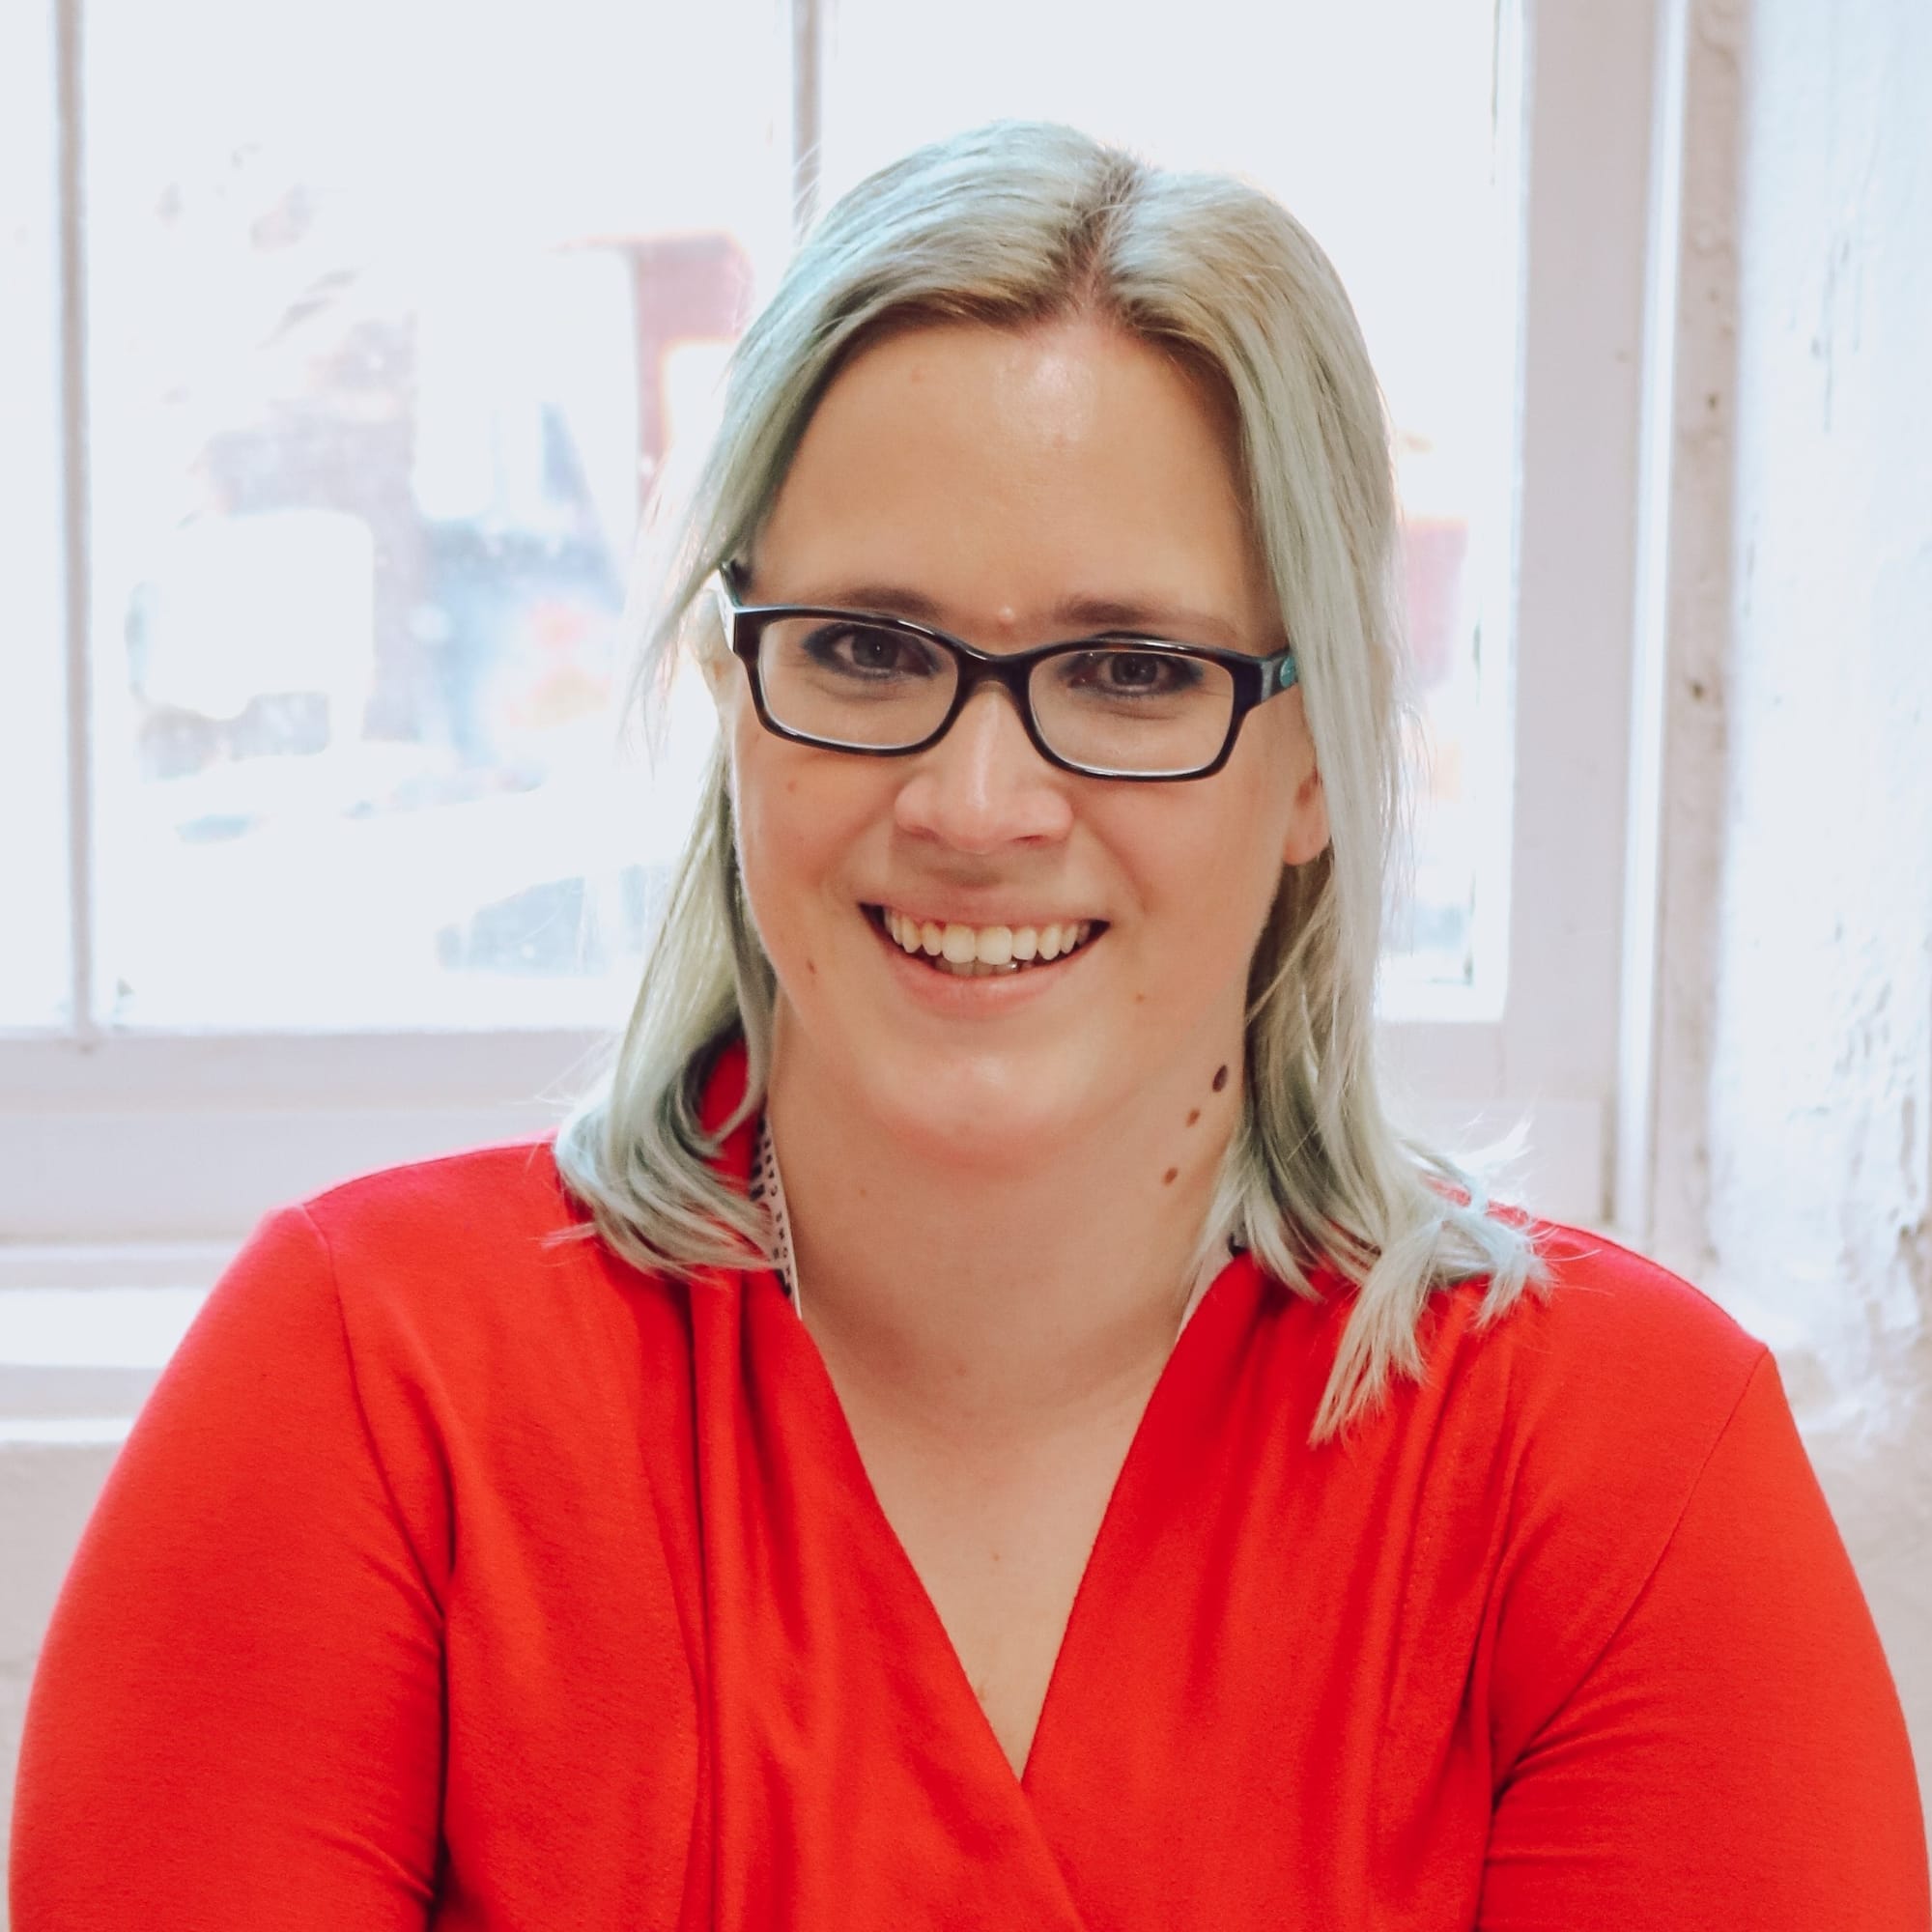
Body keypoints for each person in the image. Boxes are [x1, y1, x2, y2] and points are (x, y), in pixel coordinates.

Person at [10, 122, 1928, 1931]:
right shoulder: (369, 1390)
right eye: (865, 648)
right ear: (732, 696)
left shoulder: (1619, 1470)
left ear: (1317, 756)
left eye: (1130, 670)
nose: (977, 802)